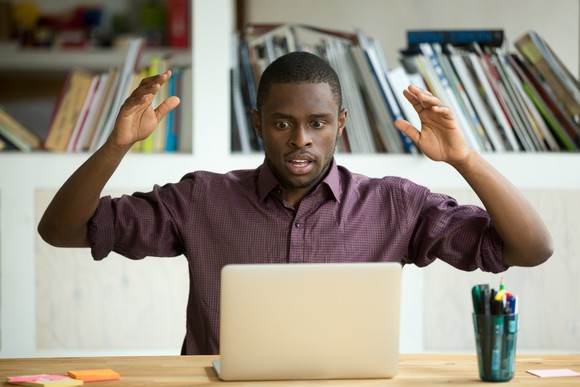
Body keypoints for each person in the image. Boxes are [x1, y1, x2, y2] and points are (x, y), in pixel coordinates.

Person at [38, 51, 553, 355]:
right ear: (259, 124)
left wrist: (464, 159)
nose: (300, 139)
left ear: (340, 125)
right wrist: (116, 145)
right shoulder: (202, 198)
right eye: (282, 123)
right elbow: (61, 230)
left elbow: (531, 249)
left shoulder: (395, 204)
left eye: (317, 124)